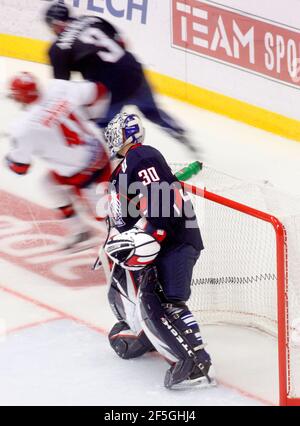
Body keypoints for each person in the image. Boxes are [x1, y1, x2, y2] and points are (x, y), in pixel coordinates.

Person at [96, 112, 213, 389]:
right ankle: (150, 339)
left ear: (123, 135)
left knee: (168, 301)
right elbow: (123, 220)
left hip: (173, 240)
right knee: (146, 301)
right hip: (158, 244)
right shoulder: (122, 172)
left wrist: (152, 232)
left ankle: (197, 361)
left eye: (114, 134)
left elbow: (161, 195)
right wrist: (116, 243)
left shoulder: (141, 156)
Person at [44, 1, 197, 153]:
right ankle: (178, 131)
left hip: (110, 90)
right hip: (133, 72)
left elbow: (62, 87)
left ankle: (111, 161)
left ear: (55, 24)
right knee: (152, 112)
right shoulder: (93, 19)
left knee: (100, 127)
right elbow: (123, 42)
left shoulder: (58, 48)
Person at [6, 71, 112, 251]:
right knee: (47, 183)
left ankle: (141, 251)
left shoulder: (23, 129)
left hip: (84, 172)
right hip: (99, 151)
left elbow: (20, 168)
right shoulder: (59, 88)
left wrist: (9, 157)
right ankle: (79, 230)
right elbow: (101, 90)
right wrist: (92, 117)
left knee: (107, 217)